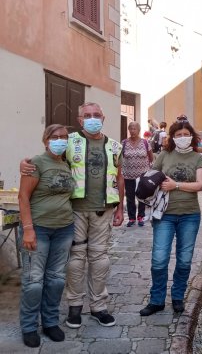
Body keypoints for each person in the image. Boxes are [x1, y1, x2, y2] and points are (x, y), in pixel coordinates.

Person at [21, 103, 124, 329]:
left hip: (103, 210)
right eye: (87, 116)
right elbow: (48, 157)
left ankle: (98, 306)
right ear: (80, 120)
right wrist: (25, 164)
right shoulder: (68, 142)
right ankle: (74, 307)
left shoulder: (115, 146)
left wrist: (120, 208)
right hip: (74, 210)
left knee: (100, 259)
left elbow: (119, 177)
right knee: (76, 260)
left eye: (96, 115)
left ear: (104, 117)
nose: (92, 118)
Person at [139, 121, 202, 316]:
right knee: (159, 259)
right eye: (178, 134)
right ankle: (156, 299)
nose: (182, 137)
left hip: (189, 214)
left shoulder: (198, 158)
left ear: (192, 136)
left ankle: (178, 296)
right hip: (165, 215)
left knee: (184, 260)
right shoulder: (164, 155)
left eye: (186, 133)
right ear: (172, 137)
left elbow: (200, 185)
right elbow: (151, 176)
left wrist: (175, 185)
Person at [17, 125, 75, 348]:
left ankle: (50, 322)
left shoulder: (66, 163)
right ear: (45, 140)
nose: (60, 140)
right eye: (55, 137)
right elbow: (23, 196)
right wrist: (28, 228)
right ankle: (29, 326)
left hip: (64, 229)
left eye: (63, 137)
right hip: (38, 229)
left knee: (57, 279)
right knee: (34, 281)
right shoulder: (35, 163)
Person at [122, 121, 154, 227]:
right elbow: (120, 157)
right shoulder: (124, 143)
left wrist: (149, 169)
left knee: (142, 196)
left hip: (142, 175)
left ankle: (141, 216)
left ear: (138, 130)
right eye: (130, 128)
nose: (132, 131)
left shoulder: (145, 142)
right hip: (128, 175)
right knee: (130, 197)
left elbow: (150, 156)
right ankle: (131, 218)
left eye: (134, 128)